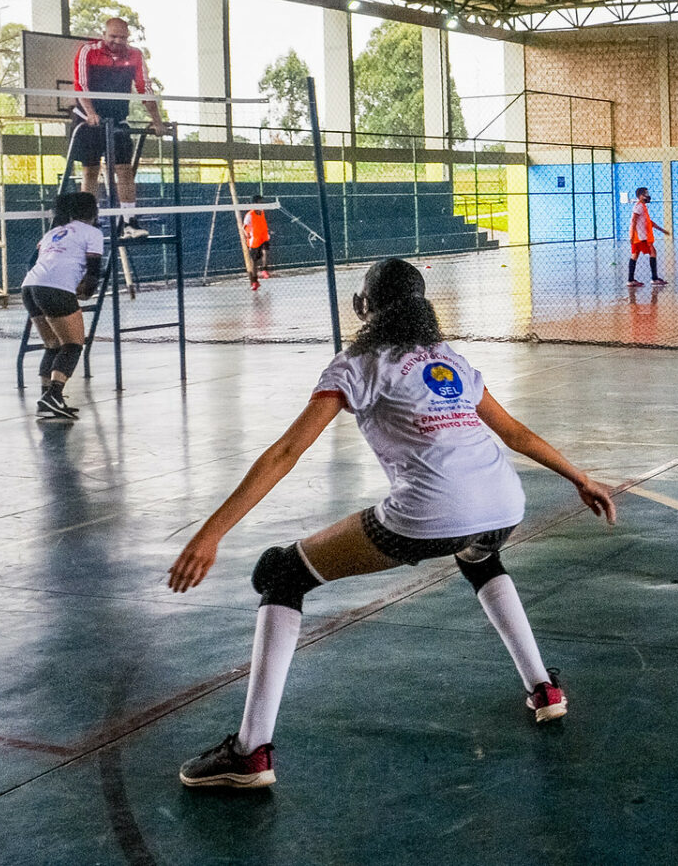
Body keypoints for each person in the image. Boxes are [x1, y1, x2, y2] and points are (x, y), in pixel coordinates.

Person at [168, 258, 618, 788]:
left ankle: (249, 752)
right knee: (478, 553)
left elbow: (286, 451)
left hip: (430, 512)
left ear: (366, 307)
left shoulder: (356, 363)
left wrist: (211, 532)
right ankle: (544, 690)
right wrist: (579, 477)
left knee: (283, 573)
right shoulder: (446, 358)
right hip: (504, 505)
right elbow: (514, 433)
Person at [72, 17, 167, 238]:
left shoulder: (134, 55)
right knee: (91, 170)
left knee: (124, 169)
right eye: (113, 36)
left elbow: (145, 87)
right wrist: (91, 112)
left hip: (117, 119)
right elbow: (81, 84)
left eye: (122, 37)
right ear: (104, 34)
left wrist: (157, 120)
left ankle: (129, 222)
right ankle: (88, 222)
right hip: (89, 118)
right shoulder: (88, 51)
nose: (117, 41)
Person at [22, 192, 105, 421]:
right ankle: (54, 395)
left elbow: (31, 262)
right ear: (93, 212)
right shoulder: (93, 233)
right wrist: (85, 291)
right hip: (54, 288)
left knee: (53, 344)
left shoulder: (53, 232)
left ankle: (45, 398)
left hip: (29, 286)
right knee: (73, 344)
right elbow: (94, 269)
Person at [627, 186, 670, 286]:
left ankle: (630, 280)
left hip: (638, 236)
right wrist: (632, 236)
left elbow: (649, 222)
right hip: (640, 237)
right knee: (653, 252)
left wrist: (662, 230)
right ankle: (654, 278)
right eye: (645, 194)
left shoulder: (643, 207)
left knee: (635, 255)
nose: (648, 196)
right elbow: (633, 221)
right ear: (640, 196)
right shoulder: (638, 207)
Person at [242, 202, 272, 291]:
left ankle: (264, 269)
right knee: (254, 261)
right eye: (259, 203)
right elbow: (244, 227)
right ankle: (254, 281)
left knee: (265, 251)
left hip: (263, 237)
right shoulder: (249, 215)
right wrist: (247, 234)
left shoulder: (262, 212)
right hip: (254, 239)